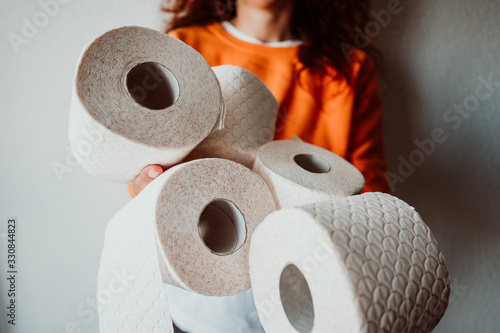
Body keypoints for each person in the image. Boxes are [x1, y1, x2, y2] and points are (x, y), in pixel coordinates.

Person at [129, 0, 391, 331]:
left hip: (302, 289)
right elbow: (145, 159)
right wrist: (147, 192)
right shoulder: (187, 47)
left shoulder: (349, 70)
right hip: (199, 299)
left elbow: (371, 189)